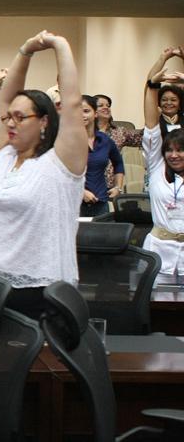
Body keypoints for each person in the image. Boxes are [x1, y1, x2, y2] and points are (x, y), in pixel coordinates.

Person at [0, 31, 86, 319]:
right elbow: (5, 101)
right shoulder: (5, 155)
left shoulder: (60, 162)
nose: (10, 123)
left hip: (39, 289)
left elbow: (72, 104)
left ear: (45, 121)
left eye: (20, 118)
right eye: (9, 117)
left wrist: (60, 45)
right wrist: (25, 51)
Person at [141, 49, 184, 285]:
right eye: (170, 150)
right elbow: (149, 120)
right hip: (159, 253)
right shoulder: (157, 164)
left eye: (180, 150)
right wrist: (151, 84)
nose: (174, 155)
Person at [80, 94, 125, 217]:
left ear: (95, 113)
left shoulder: (104, 139)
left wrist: (118, 187)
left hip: (100, 203)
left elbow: (118, 163)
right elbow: (59, 173)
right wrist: (80, 192)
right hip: (74, 204)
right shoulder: (67, 141)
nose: (81, 115)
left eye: (86, 111)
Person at [95, 93, 142, 192]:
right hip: (86, 188)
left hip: (110, 189)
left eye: (108, 106)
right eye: (101, 105)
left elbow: (143, 137)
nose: (106, 108)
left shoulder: (119, 132)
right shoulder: (83, 131)